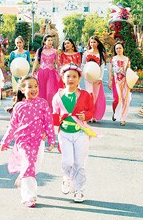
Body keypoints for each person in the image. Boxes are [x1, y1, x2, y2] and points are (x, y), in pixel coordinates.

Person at [0, 75, 55, 208]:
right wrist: (5, 141)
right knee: (29, 165)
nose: (34, 89)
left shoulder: (43, 103)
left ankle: (22, 179)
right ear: (22, 90)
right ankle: (28, 197)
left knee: (35, 167)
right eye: (29, 87)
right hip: (23, 142)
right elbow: (12, 126)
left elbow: (48, 122)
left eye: (35, 86)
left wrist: (51, 139)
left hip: (39, 141)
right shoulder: (18, 106)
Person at [52, 63, 95, 203]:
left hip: (80, 133)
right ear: (63, 78)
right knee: (67, 161)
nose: (71, 79)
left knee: (79, 163)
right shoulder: (57, 96)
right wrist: (51, 133)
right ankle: (66, 179)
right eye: (68, 76)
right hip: (64, 133)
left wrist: (86, 116)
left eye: (74, 77)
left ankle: (79, 191)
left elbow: (91, 111)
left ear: (79, 79)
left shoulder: (85, 95)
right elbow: (54, 116)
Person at [82, 35, 107, 123]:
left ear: (98, 43)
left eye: (94, 42)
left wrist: (100, 78)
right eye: (91, 42)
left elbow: (102, 66)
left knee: (95, 96)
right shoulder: (86, 53)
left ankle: (93, 115)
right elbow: (83, 64)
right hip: (88, 77)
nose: (93, 44)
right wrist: (84, 73)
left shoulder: (100, 53)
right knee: (90, 94)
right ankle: (88, 114)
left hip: (97, 76)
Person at [31, 34, 60, 109]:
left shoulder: (55, 51)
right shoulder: (40, 50)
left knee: (50, 92)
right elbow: (36, 62)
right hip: (41, 73)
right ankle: (41, 108)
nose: (50, 42)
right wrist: (32, 72)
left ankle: (50, 109)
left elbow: (57, 63)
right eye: (48, 40)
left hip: (51, 73)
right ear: (44, 41)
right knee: (41, 91)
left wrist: (61, 71)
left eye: (51, 40)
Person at [108, 42, 131, 126]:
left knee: (125, 100)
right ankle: (115, 111)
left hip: (125, 81)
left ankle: (123, 118)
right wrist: (109, 81)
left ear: (123, 49)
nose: (118, 50)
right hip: (116, 81)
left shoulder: (127, 59)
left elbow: (129, 71)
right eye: (116, 48)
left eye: (120, 48)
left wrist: (130, 81)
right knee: (117, 99)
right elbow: (110, 71)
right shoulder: (113, 59)